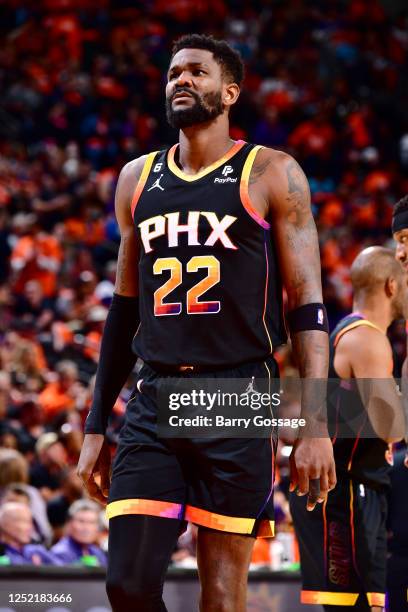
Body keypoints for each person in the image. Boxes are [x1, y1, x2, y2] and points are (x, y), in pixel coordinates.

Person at [77, 34, 335, 611]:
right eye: (173, 75)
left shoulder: (271, 171)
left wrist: (316, 424)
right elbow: (123, 310)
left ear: (230, 91)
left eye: (196, 72)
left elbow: (307, 306)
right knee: (127, 585)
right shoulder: (135, 179)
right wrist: (97, 422)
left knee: (221, 596)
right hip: (156, 390)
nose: (181, 82)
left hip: (238, 393)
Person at [290, 246, 407, 611]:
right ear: (391, 285)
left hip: (351, 489)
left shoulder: (351, 331)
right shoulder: (367, 338)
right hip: (344, 495)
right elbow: (393, 429)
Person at [51, 500, 106, 566]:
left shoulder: (97, 552)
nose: (86, 528)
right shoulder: (61, 553)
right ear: (69, 523)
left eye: (91, 522)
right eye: (81, 521)